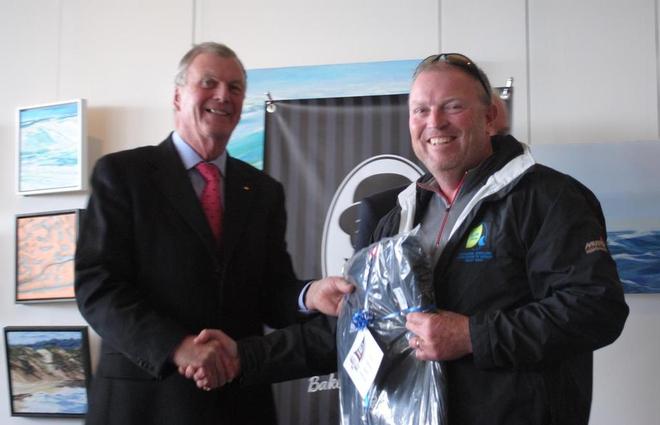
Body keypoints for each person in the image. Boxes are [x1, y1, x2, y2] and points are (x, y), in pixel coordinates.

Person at [196, 53, 629, 425]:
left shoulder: (549, 199)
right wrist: (242, 358)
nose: (434, 122)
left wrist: (472, 336)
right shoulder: (392, 217)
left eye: (452, 106)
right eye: (420, 110)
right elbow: (356, 333)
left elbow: (595, 307)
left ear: (491, 116)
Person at [74, 41, 350, 425]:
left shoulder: (263, 191)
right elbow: (97, 287)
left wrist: (310, 295)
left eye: (235, 88)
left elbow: (271, 292)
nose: (223, 95)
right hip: (145, 403)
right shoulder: (123, 175)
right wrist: (177, 347)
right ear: (177, 96)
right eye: (209, 82)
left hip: (237, 403)